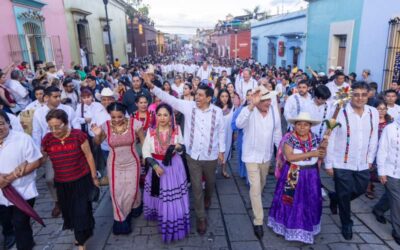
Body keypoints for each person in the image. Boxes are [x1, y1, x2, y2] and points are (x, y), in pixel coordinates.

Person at [143, 73, 225, 235]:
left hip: (211, 156)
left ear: (209, 98)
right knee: (195, 187)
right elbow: (169, 99)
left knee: (210, 183)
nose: (197, 98)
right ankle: (201, 217)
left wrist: (222, 151)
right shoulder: (189, 107)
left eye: (201, 96)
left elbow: (221, 132)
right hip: (192, 156)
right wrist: (152, 87)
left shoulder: (217, 112)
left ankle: (208, 196)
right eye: (196, 95)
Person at [325, 81, 379, 240]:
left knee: (361, 189)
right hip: (341, 162)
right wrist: (329, 163)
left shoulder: (373, 112)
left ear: (368, 95)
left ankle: (336, 197)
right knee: (345, 193)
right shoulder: (338, 111)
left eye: (363, 94)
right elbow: (330, 137)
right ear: (350, 95)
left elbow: (373, 137)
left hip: (362, 162)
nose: (360, 98)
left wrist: (370, 158)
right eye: (356, 94)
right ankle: (346, 223)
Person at [41, 109, 98, 250]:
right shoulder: (47, 139)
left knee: (81, 210)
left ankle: (81, 243)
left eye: (58, 126)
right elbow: (42, 158)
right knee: (70, 212)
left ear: (66, 123)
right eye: (51, 127)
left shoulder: (78, 136)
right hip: (62, 183)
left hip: (81, 180)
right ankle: (83, 234)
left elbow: (89, 156)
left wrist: (94, 177)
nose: (54, 130)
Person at [268, 112, 326, 244]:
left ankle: (307, 226)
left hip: (311, 174)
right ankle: (289, 226)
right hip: (293, 173)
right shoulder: (289, 139)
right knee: (291, 201)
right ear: (294, 125)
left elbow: (321, 155)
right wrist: (312, 153)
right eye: (299, 124)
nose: (302, 127)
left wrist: (323, 150)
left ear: (310, 126)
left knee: (311, 201)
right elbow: (290, 157)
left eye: (305, 125)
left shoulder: (316, 138)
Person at [236, 86, 282, 239]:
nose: (268, 103)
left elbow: (277, 133)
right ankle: (258, 221)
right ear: (258, 101)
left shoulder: (274, 113)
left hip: (266, 157)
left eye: (269, 99)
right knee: (255, 187)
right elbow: (238, 124)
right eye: (265, 100)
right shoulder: (249, 111)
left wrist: (280, 155)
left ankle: (255, 200)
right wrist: (251, 105)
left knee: (261, 186)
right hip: (250, 157)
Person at [91, 102, 144, 235]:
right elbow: (97, 143)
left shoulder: (135, 124)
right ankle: (121, 220)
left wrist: (145, 157)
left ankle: (134, 207)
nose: (116, 120)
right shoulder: (106, 126)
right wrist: (97, 135)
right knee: (117, 192)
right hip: (114, 163)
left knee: (131, 190)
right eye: (113, 117)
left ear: (124, 114)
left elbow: (144, 141)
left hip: (132, 161)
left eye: (119, 117)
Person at [142, 103, 190, 242]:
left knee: (171, 196)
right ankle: (161, 214)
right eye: (159, 115)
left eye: (165, 115)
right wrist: (155, 166)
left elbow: (182, 147)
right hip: (156, 166)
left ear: (171, 117)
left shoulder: (176, 130)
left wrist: (179, 147)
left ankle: (172, 220)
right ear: (155, 116)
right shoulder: (150, 131)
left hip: (174, 167)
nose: (162, 118)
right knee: (160, 194)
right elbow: (145, 151)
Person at [32, 86, 80, 218]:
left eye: (59, 96)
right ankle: (57, 201)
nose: (59, 99)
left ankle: (72, 200)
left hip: (69, 147)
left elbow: (76, 126)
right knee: (50, 178)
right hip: (50, 149)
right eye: (55, 96)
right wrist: (38, 152)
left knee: (71, 176)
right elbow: (36, 133)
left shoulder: (68, 109)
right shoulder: (39, 113)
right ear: (46, 98)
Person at [0, 110, 42, 250]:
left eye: (1, 123)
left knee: (20, 223)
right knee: (9, 223)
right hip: (1, 196)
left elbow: (36, 162)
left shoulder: (22, 138)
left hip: (23, 191)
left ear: (8, 123)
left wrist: (10, 177)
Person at [376, 115, 400, 246]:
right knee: (397, 202)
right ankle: (398, 232)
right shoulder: (390, 129)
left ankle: (378, 209)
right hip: (391, 171)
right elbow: (382, 150)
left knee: (391, 196)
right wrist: (381, 172)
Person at [365, 100, 393, 199]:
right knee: (370, 167)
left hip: (385, 147)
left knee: (381, 166)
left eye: (384, 109)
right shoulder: (370, 119)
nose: (381, 111)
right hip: (371, 146)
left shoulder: (390, 121)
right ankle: (369, 187)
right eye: (379, 109)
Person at [232, 89, 252, 179]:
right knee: (242, 156)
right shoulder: (241, 109)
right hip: (242, 137)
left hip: (254, 139)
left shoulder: (260, 108)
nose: (250, 97)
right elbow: (233, 124)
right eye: (248, 95)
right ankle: (244, 174)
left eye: (252, 95)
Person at [215, 89, 234, 178]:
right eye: (222, 96)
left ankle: (223, 169)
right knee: (216, 150)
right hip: (217, 134)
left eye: (226, 96)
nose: (224, 98)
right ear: (219, 97)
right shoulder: (215, 108)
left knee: (226, 150)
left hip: (228, 132)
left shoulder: (232, 107)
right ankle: (213, 168)